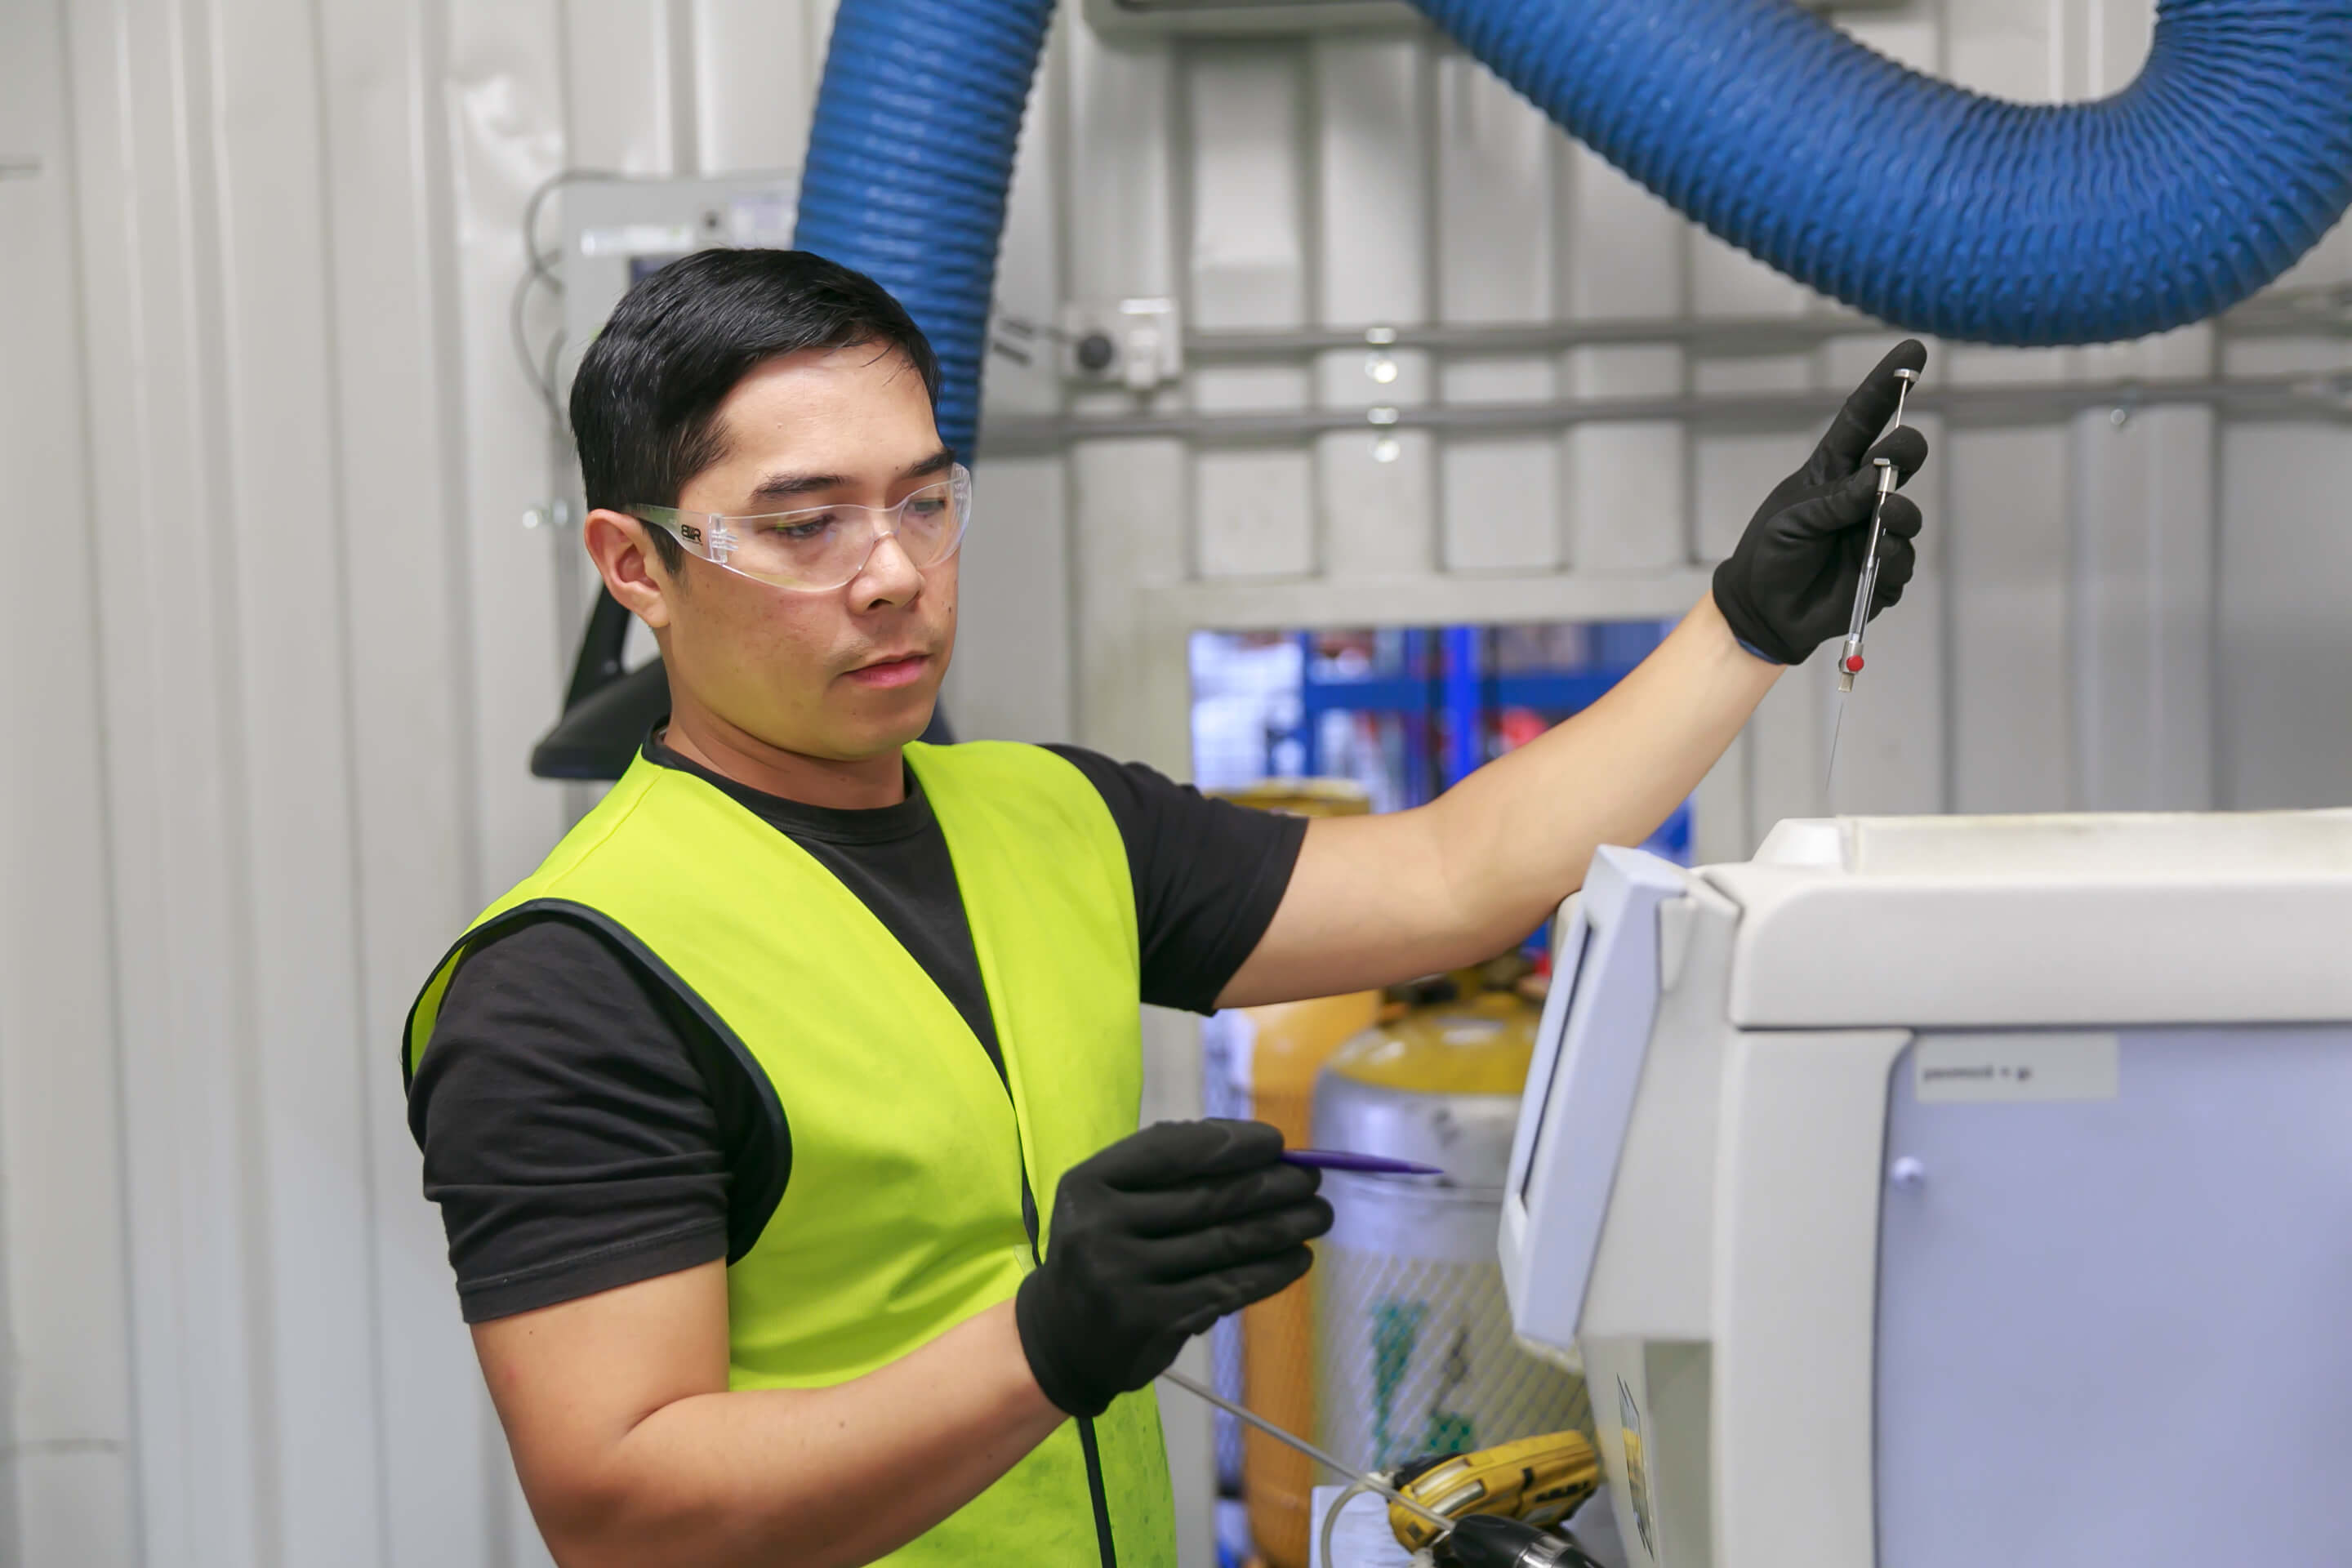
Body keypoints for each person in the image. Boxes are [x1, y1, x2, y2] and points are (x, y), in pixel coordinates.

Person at [403, 249, 1927, 1568]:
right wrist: (1045, 1343)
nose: (893, 574)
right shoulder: (569, 980)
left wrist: (1740, 627)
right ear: (637, 566)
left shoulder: (1053, 818)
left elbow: (1450, 877)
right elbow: (623, 1513)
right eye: (805, 525)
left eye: (926, 501)